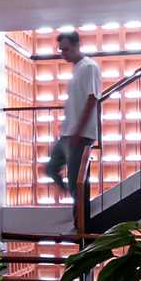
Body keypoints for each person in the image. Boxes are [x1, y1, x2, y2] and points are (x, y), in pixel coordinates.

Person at [44, 29, 100, 197]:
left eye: (66, 49)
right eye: (61, 49)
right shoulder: (77, 69)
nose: (63, 53)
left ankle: (81, 221)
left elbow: (92, 99)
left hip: (80, 135)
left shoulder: (89, 67)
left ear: (77, 46)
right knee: (51, 168)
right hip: (68, 133)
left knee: (77, 182)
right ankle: (72, 199)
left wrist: (78, 131)